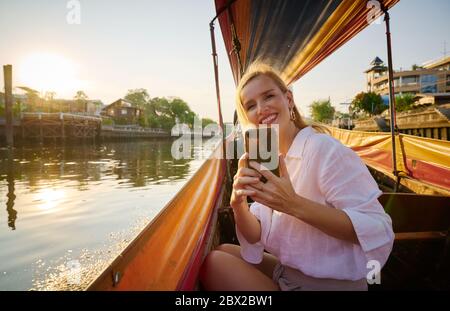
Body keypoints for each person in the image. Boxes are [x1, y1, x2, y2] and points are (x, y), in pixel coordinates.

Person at [199, 63, 394, 291]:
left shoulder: (325, 150)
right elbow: (256, 233)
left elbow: (378, 229)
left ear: (288, 99)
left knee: (213, 264)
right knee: (223, 250)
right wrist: (238, 204)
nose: (261, 109)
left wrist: (293, 204)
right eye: (250, 105)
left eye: (269, 96)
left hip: (331, 285)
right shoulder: (268, 158)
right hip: (291, 271)